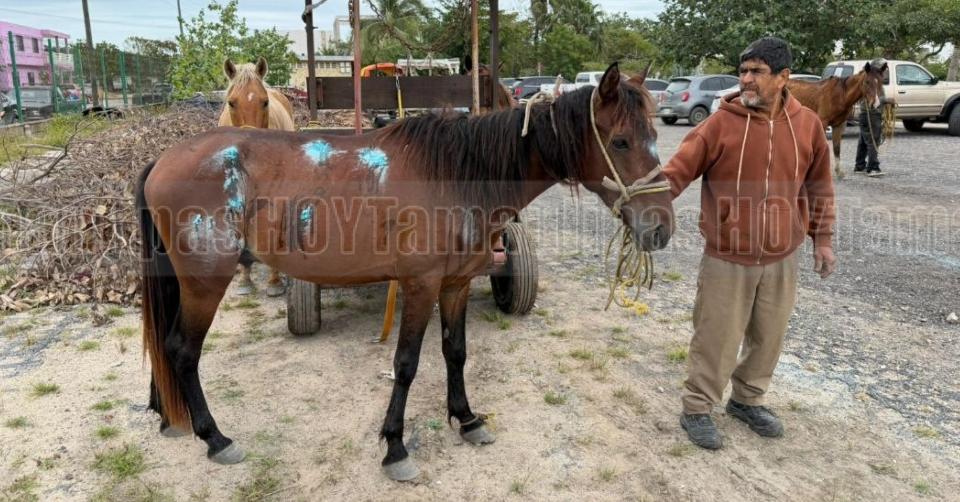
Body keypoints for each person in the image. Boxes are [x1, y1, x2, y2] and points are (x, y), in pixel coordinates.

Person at [663, 37, 837, 450]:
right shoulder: (719, 124)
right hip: (727, 255)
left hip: (782, 255)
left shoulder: (808, 125)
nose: (746, 79)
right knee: (716, 336)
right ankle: (697, 408)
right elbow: (676, 172)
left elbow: (820, 186)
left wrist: (823, 239)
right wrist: (642, 201)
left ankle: (747, 400)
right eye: (743, 71)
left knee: (768, 336)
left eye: (757, 72)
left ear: (783, 77)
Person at [854, 58, 889, 177]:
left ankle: (859, 165)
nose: (884, 72)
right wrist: (888, 100)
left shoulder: (869, 79)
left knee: (864, 141)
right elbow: (876, 101)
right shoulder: (872, 81)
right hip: (871, 114)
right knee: (873, 140)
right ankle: (873, 167)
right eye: (883, 69)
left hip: (865, 114)